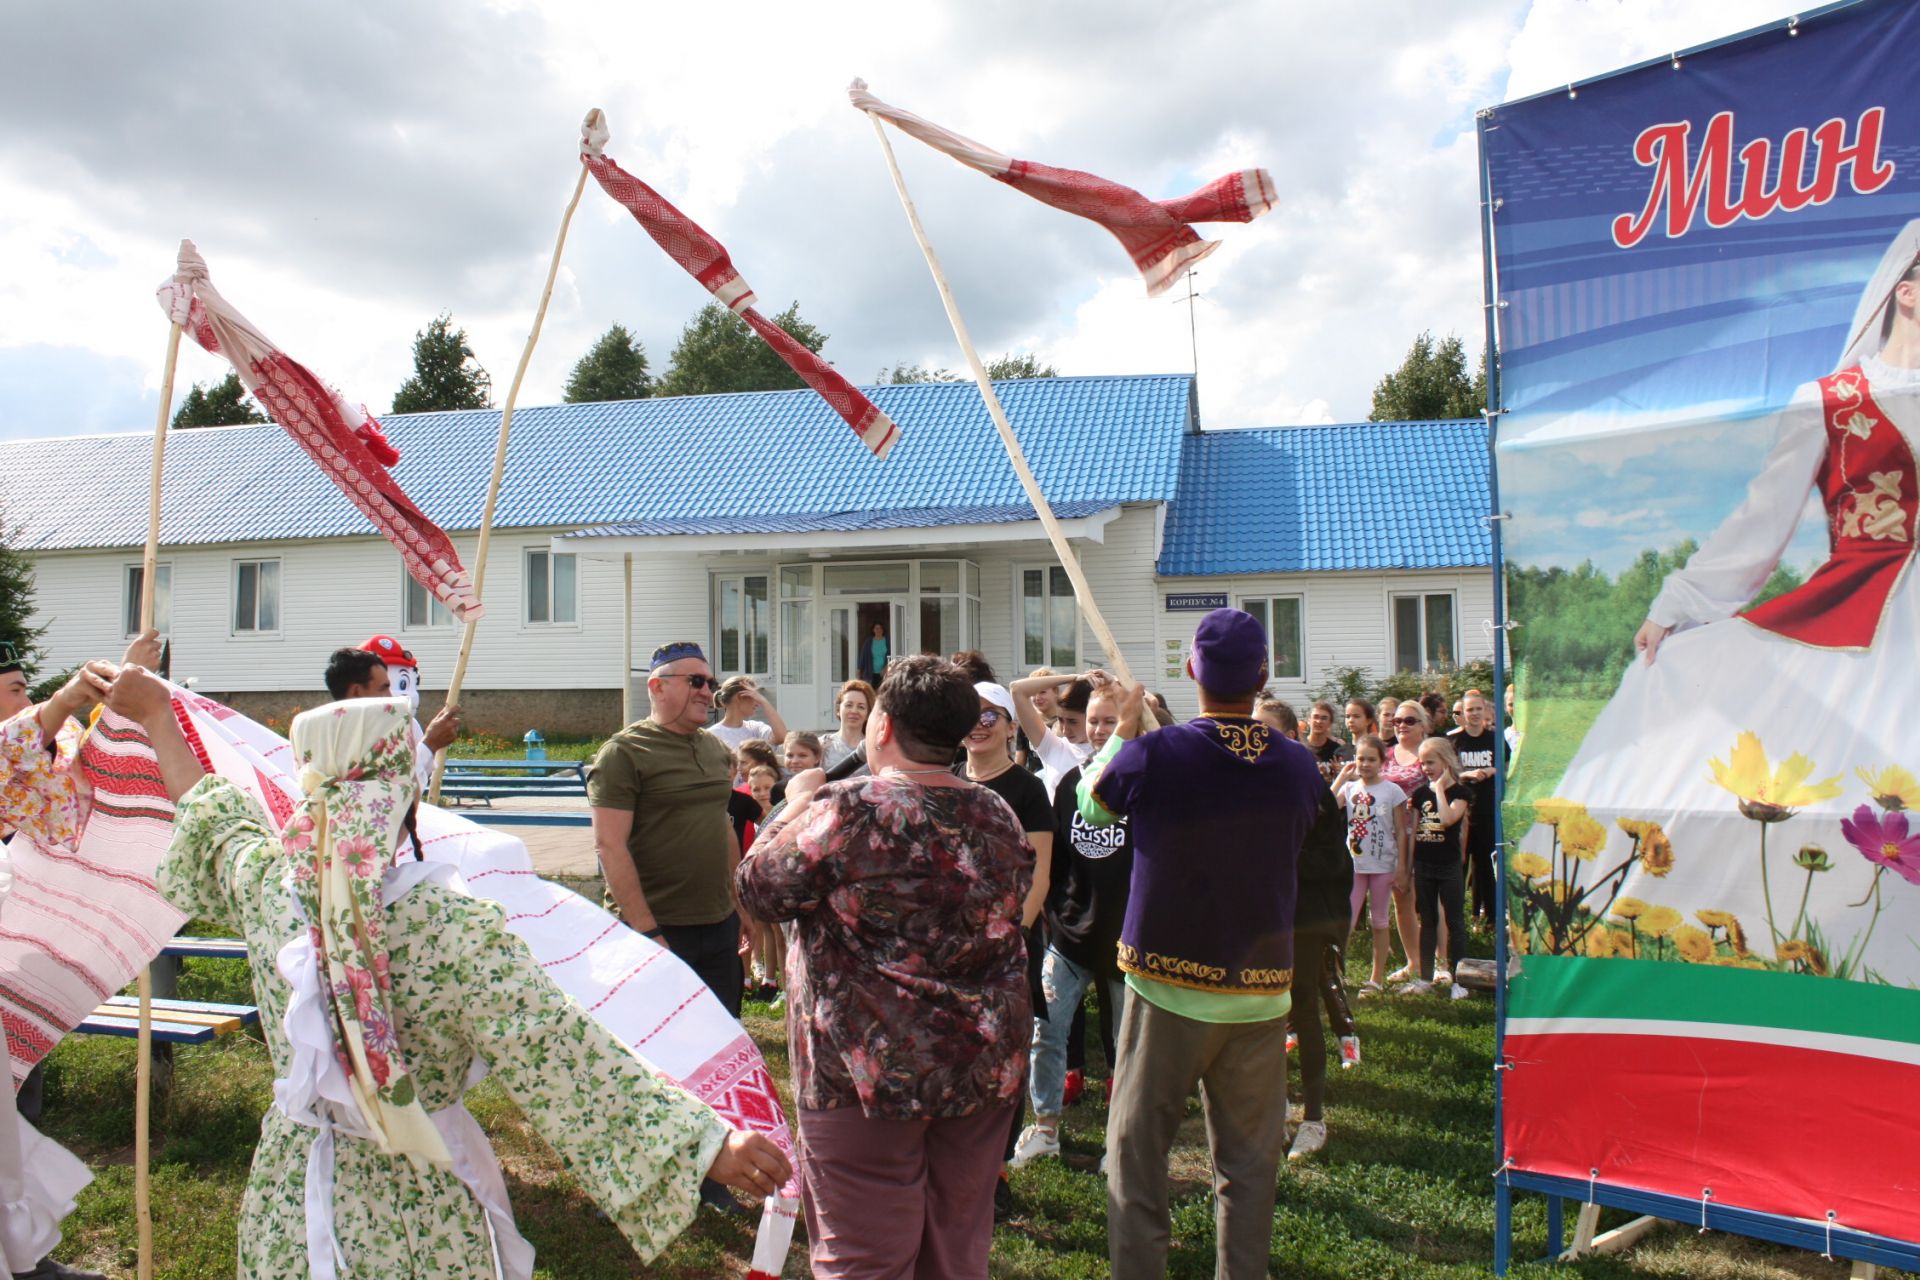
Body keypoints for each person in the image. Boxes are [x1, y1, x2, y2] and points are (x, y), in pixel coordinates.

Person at [107, 669, 789, 1278]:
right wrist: (704, 1142)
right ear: (407, 797)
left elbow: (214, 817)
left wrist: (156, 716)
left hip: (291, 1191)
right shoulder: (451, 928)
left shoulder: (269, 890)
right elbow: (558, 1052)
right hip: (419, 1202)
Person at [736, 655, 1033, 1279]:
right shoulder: (997, 811)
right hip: (981, 1063)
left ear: (883, 725)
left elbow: (759, 889)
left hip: (863, 1071)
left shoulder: (847, 808)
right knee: (955, 1251)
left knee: (864, 1259)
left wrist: (793, 805)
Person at [1076, 609, 1324, 1280]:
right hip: (1261, 994)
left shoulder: (1159, 752)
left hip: (1167, 990)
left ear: (1191, 671)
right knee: (1249, 1166)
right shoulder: (1299, 765)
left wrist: (1124, 730)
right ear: (1264, 675)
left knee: (1136, 1153)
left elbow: (1093, 805)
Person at [587, 642, 755, 1216]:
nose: (709, 691)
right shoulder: (624, 753)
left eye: (711, 682)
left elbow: (725, 830)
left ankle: (710, 1171)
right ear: (658, 686)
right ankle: (647, 1168)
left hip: (718, 923)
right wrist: (648, 931)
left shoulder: (713, 751)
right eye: (696, 681)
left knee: (717, 1047)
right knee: (657, 1057)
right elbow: (609, 845)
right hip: (657, 931)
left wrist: (744, 909)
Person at [1014, 682, 1135, 1176]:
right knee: (1046, 1029)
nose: (1100, 730)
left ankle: (1120, 1140)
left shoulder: (1143, 783)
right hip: (1070, 936)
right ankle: (1045, 1128)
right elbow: (1058, 858)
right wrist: (1056, 910)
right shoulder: (1071, 783)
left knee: (1125, 1046)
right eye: (1095, 721)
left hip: (1128, 940)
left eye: (1111, 721)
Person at [1251, 700, 1359, 1161]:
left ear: (1290, 735)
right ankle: (1270, 1113)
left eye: (1266, 732)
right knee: (1261, 1018)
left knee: (1303, 1008)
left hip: (1303, 919)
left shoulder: (1309, 786)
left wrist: (1278, 860)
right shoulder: (1244, 784)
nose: (1255, 740)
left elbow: (1332, 861)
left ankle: (1313, 1118)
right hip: (1258, 920)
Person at [325, 644, 460, 794]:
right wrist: (429, 745)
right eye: (383, 688)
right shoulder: (343, 738)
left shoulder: (319, 730)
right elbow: (394, 798)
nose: (390, 696)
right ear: (356, 691)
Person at [1333, 736, 1410, 995]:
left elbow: (1401, 830)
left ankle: (1376, 978)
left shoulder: (1392, 791)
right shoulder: (1351, 789)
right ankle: (1337, 974)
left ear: (1382, 762)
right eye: (1360, 758)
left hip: (1383, 865)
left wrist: (1401, 867)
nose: (1364, 764)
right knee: (1346, 920)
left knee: (1379, 921)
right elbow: (1328, 805)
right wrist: (1341, 779)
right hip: (1354, 864)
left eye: (1371, 759)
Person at [1404, 737, 1473, 999]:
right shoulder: (1420, 794)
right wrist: (1408, 867)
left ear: (1446, 762)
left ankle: (1460, 979)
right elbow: (1414, 834)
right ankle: (1425, 978)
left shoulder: (1461, 793)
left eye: (1430, 762)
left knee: (1455, 921)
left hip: (1449, 866)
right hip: (1424, 866)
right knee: (1428, 920)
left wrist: (1441, 789)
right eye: (1422, 763)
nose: (1425, 768)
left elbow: (1446, 820)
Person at [1382, 700, 1437, 984]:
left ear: (1423, 725)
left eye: (1409, 721)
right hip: (1392, 837)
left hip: (1426, 836)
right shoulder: (1387, 754)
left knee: (1430, 901)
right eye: (1397, 721)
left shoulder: (1430, 752)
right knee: (1401, 899)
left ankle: (1441, 963)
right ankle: (1414, 962)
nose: (1401, 725)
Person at [1446, 691, 1501, 927]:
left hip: (1487, 810)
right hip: (1460, 811)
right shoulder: (1454, 740)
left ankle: (1490, 920)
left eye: (1479, 709)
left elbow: (1507, 765)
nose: (1475, 714)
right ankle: (1455, 920)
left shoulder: (1495, 739)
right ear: (1463, 713)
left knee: (1486, 866)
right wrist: (1464, 774)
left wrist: (1491, 771)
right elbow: (1445, 772)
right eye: (1470, 710)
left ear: (1485, 711)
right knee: (1459, 865)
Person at [1008, 671, 1095, 801]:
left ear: (1091, 717)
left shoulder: (1113, 748)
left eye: (1072, 721)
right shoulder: (1053, 746)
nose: (1065, 729)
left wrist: (1112, 681)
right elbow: (1017, 689)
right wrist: (1074, 677)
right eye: (1060, 720)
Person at [709, 676, 789, 759]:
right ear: (739, 697)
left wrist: (764, 701)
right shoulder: (712, 735)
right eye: (754, 696)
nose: (758, 702)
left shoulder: (756, 728)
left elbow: (781, 737)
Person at [820, 680, 874, 773]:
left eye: (861, 707)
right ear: (838, 709)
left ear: (868, 713)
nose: (854, 711)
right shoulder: (822, 745)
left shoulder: (873, 748)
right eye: (849, 705)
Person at [1302, 699, 1353, 778]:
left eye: (1324, 718)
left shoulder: (1337, 750)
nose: (1319, 721)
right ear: (1309, 720)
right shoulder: (1299, 747)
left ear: (1330, 723)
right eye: (1316, 717)